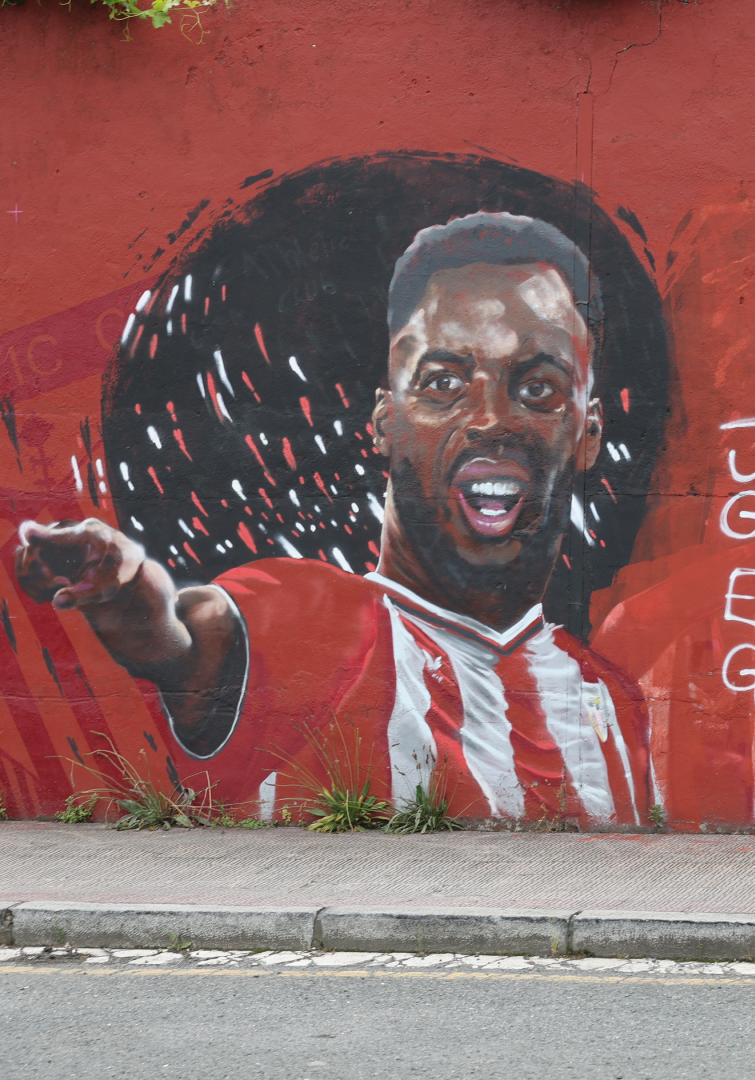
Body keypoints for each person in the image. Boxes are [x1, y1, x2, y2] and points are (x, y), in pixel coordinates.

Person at [12, 211, 649, 825]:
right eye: (443, 383)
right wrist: (123, 592)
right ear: (385, 421)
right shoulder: (311, 618)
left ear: (588, 432)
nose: (490, 419)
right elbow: (182, 641)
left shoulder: (610, 701)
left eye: (538, 388)